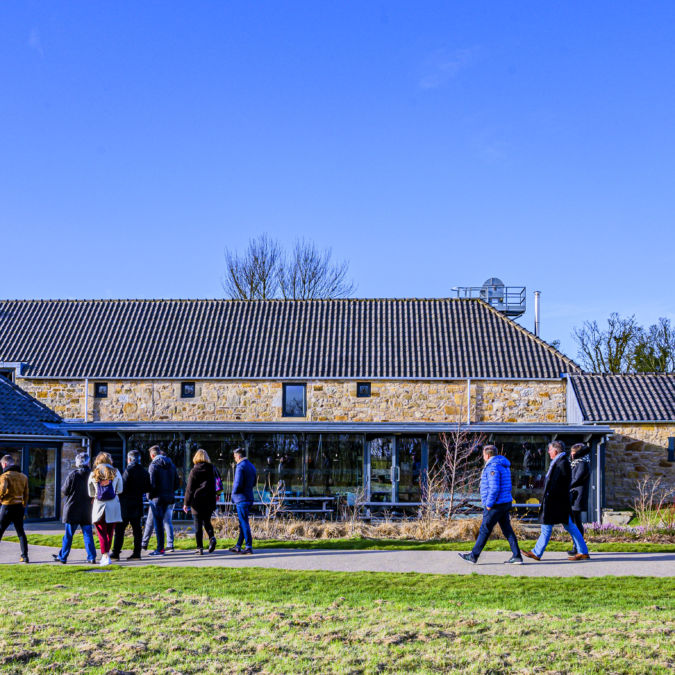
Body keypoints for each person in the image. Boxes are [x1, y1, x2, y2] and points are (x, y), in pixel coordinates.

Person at [523, 441, 590, 562]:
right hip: (557, 501)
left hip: (557, 502)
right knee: (564, 526)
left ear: (555, 451)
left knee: (558, 526)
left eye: (549, 450)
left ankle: (537, 552)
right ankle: (582, 551)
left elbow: (560, 484)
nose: (548, 452)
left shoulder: (562, 463)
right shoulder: (560, 462)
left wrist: (550, 498)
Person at [459, 445, 522, 565]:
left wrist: (489, 504)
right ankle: (517, 556)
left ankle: (473, 556)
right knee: (507, 530)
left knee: (484, 530)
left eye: (483, 455)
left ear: (487, 455)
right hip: (505, 502)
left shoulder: (492, 467)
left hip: (495, 505)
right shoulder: (503, 465)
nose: (483, 457)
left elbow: (494, 488)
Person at [52, 452, 97, 564]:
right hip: (87, 509)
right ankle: (91, 557)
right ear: (87, 462)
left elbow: (65, 491)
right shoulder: (92, 475)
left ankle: (63, 557)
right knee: (88, 535)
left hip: (72, 509)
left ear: (77, 462)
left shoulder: (73, 475)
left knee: (68, 535)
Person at [111, 450, 151, 561]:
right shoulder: (144, 472)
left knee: (119, 530)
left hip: (125, 505)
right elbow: (148, 488)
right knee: (137, 530)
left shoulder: (128, 470)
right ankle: (137, 553)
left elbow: (122, 488)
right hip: (137, 503)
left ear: (129, 459)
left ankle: (116, 553)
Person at [88, 451, 124, 566]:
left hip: (99, 505)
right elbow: (120, 489)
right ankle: (106, 554)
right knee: (110, 531)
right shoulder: (116, 472)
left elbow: (90, 492)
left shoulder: (94, 473)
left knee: (101, 531)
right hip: (113, 505)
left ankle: (105, 555)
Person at [183, 449, 218, 555]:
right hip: (209, 500)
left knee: (197, 524)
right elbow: (217, 484)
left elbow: (189, 489)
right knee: (207, 521)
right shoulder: (212, 469)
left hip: (197, 501)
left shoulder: (194, 471)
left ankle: (200, 548)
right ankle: (212, 538)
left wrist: (186, 503)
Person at [147, 446, 179, 556]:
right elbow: (176, 483)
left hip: (156, 498)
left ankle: (160, 549)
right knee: (165, 522)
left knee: (158, 524)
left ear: (152, 455)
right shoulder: (172, 465)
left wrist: (149, 496)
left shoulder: (153, 466)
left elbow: (151, 484)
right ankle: (164, 546)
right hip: (168, 497)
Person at [0, 454, 29, 563]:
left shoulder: (4, 476)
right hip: (19, 506)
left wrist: (0, 498)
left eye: (2, 465)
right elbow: (26, 493)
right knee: (20, 532)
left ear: (5, 464)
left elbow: (2, 488)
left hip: (7, 506)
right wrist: (24, 504)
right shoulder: (23, 476)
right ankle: (25, 556)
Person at [229, 448, 257, 554]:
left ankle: (248, 546)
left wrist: (233, 495)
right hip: (249, 497)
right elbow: (254, 483)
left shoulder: (240, 466)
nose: (234, 458)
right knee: (242, 522)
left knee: (244, 522)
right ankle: (238, 546)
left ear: (239, 456)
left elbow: (237, 484)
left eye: (235, 456)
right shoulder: (251, 465)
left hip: (241, 499)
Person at [568, 443, 591, 555]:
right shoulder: (577, 463)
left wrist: (566, 486)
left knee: (576, 523)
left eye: (573, 453)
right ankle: (577, 546)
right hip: (575, 495)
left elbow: (577, 479)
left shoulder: (582, 463)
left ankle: (577, 547)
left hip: (578, 496)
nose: (571, 455)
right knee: (575, 522)